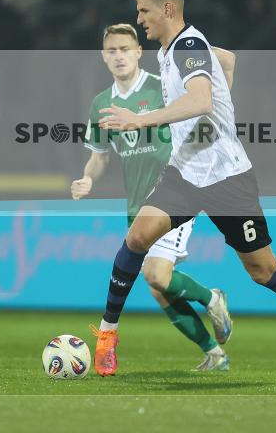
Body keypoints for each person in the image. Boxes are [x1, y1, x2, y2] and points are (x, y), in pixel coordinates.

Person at [92, 0, 276, 382]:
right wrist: (216, 110)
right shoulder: (174, 49)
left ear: (168, 9)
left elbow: (200, 100)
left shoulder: (188, 47)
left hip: (228, 178)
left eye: (144, 10)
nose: (139, 18)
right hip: (184, 173)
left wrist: (142, 120)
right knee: (137, 238)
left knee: (263, 270)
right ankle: (108, 335)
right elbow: (228, 61)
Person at [73, 23, 236, 371]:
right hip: (137, 206)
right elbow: (99, 156)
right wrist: (87, 178)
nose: (119, 56)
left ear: (138, 52)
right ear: (103, 57)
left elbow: (207, 89)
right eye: (112, 50)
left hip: (174, 194)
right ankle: (214, 353)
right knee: (160, 289)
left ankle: (212, 299)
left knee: (156, 275)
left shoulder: (161, 86)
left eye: (125, 49)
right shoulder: (101, 104)